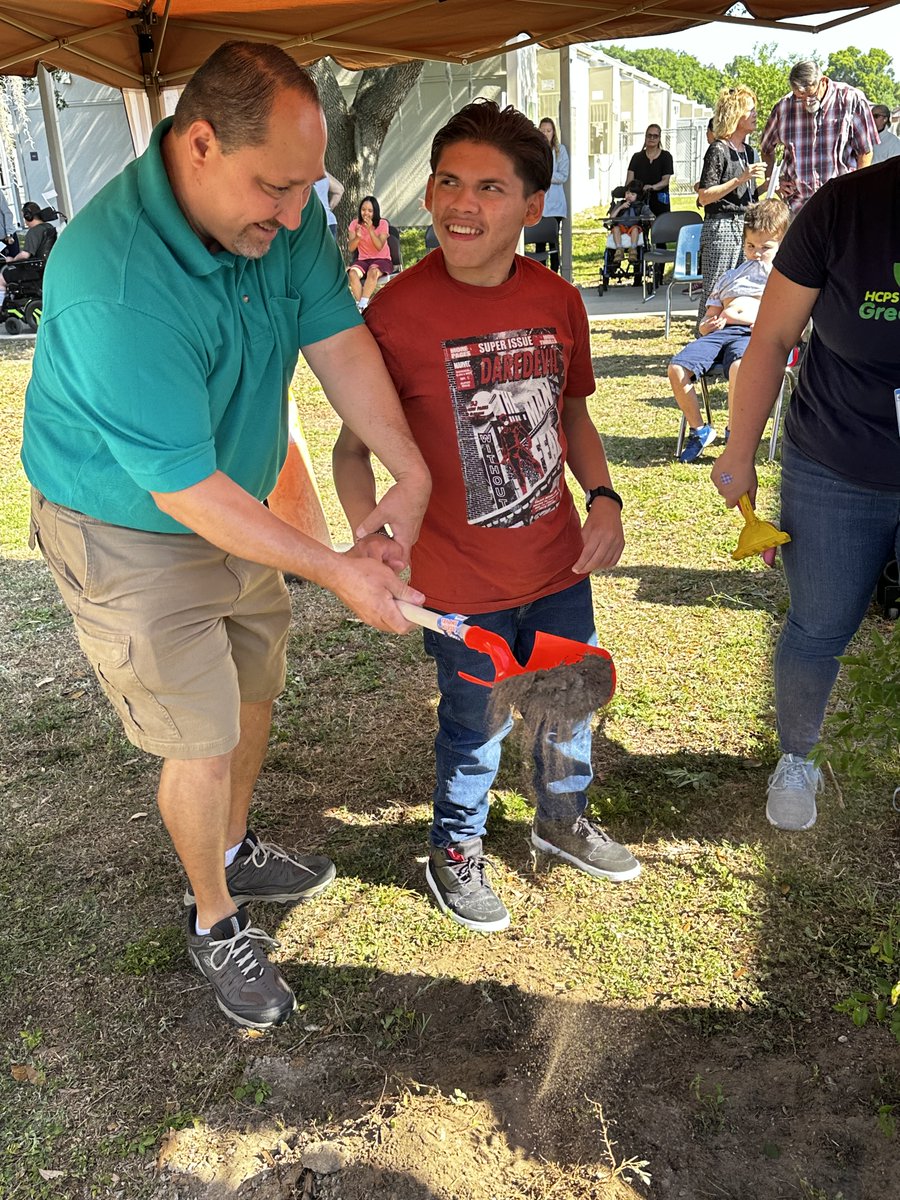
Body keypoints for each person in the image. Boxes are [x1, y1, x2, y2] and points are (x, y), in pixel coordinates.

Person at [20, 41, 431, 1030]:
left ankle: (237, 844)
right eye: (278, 189)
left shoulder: (279, 217)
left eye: (308, 190)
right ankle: (214, 917)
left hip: (227, 498)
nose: (298, 217)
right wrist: (337, 567)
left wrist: (410, 470)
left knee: (253, 685)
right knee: (198, 738)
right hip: (127, 521)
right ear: (199, 143)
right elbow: (184, 495)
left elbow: (338, 343)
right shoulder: (115, 277)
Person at [333, 99, 641, 935]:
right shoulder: (393, 315)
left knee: (568, 700)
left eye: (490, 187)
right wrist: (374, 542)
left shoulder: (559, 300)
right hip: (456, 586)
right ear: (428, 193)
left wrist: (604, 497)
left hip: (558, 567)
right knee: (477, 725)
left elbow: (571, 413)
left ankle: (561, 817)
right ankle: (455, 847)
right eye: (447, 182)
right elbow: (351, 453)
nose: (461, 203)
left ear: (532, 208)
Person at [711, 156, 900, 832]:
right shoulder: (843, 209)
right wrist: (739, 450)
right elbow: (772, 337)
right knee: (818, 625)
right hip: (835, 461)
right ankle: (798, 758)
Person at [668, 198, 789, 463]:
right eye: (750, 246)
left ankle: (735, 434)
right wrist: (707, 325)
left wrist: (771, 325)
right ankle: (700, 430)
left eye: (765, 247)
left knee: (738, 368)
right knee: (677, 368)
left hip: (754, 334)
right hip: (720, 333)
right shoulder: (730, 277)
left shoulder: (781, 278)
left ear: (782, 246)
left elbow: (790, 317)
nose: (756, 253)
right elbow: (707, 320)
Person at [760, 60, 876, 214]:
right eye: (800, 97)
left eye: (810, 95)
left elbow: (865, 151)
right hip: (798, 208)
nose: (806, 102)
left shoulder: (851, 99)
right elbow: (766, 149)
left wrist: (857, 192)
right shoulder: (784, 107)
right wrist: (773, 181)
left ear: (822, 81)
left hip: (841, 206)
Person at [697, 86, 766, 312]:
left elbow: (749, 194)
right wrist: (740, 178)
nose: (756, 114)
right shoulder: (718, 149)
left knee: (741, 289)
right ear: (736, 114)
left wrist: (776, 183)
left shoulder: (749, 151)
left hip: (744, 225)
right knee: (715, 291)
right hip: (721, 226)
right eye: (750, 110)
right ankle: (706, 340)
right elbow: (705, 196)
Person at [0, 201, 57, 299]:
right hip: (45, 268)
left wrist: (12, 261)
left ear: (28, 217)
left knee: (2, 277)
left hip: (34, 271)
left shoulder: (33, 232)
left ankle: (1, 305)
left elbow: (24, 255)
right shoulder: (49, 227)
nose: (25, 222)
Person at [347, 194, 392, 310]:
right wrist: (357, 237)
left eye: (370, 211)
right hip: (363, 260)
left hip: (382, 259)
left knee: (373, 272)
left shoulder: (383, 224)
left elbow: (379, 246)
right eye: (363, 210)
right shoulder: (354, 224)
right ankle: (363, 306)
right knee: (352, 273)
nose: (366, 213)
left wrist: (370, 229)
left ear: (375, 212)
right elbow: (351, 248)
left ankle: (362, 305)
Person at [537, 117, 568, 272]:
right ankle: (541, 274)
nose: (545, 134)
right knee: (539, 242)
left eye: (548, 131)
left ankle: (555, 273)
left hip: (555, 204)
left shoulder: (560, 150)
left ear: (553, 132)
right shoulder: (535, 151)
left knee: (553, 241)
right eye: (542, 130)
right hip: (539, 203)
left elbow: (563, 175)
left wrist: (546, 176)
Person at [626, 124, 673, 218]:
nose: (652, 138)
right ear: (645, 137)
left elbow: (665, 181)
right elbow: (629, 181)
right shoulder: (636, 157)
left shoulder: (666, 156)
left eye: (655, 136)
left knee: (661, 228)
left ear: (659, 138)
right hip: (639, 201)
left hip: (660, 200)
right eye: (649, 135)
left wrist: (652, 187)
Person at [607, 182, 646, 263]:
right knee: (616, 228)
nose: (629, 196)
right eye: (627, 193)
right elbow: (612, 217)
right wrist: (620, 207)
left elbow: (650, 216)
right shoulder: (620, 204)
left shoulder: (641, 206)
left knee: (635, 229)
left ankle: (633, 249)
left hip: (633, 227)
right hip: (621, 227)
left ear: (637, 196)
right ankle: (619, 249)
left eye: (632, 194)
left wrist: (644, 217)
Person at [313, 169, 344, 237]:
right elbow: (340, 190)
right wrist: (327, 210)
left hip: (312, 224)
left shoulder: (296, 172)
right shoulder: (321, 172)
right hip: (329, 222)